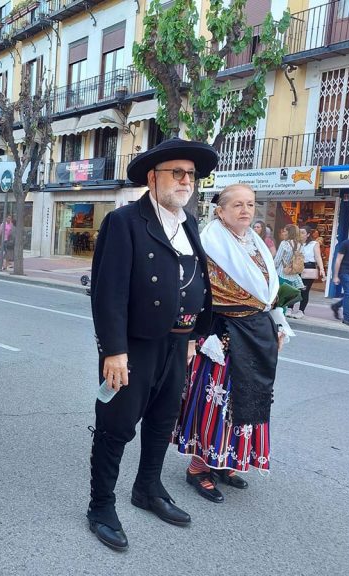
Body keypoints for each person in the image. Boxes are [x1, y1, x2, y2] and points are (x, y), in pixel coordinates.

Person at [87, 138, 216, 552]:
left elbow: (196, 282)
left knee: (162, 423)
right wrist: (113, 350)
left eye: (190, 175)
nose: (185, 181)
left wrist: (195, 335)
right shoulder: (125, 221)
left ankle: (147, 489)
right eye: (176, 173)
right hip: (133, 347)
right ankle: (101, 506)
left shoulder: (189, 223)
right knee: (116, 427)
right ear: (152, 177)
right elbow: (108, 292)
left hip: (177, 344)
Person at [173, 184, 285, 504]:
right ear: (220, 211)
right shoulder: (210, 241)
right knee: (218, 404)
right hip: (222, 335)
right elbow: (196, 292)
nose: (245, 210)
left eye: (250, 204)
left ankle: (224, 461)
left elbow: (266, 292)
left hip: (255, 334)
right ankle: (198, 467)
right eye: (237, 205)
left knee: (246, 402)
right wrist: (193, 337)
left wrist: (278, 325)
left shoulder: (256, 244)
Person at [288, 226, 325, 318]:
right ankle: (289, 308)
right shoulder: (295, 243)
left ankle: (301, 311)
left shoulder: (314, 244)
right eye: (299, 232)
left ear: (308, 234)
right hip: (296, 267)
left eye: (303, 232)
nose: (300, 234)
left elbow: (318, 257)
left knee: (304, 290)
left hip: (308, 267)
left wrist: (322, 269)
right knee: (293, 288)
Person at [274, 225, 305, 306]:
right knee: (285, 299)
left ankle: (277, 315)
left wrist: (272, 269)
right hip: (293, 275)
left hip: (281, 273)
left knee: (277, 297)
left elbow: (277, 260)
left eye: (285, 231)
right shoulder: (300, 245)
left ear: (289, 232)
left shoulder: (284, 243)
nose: (283, 233)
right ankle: (282, 313)